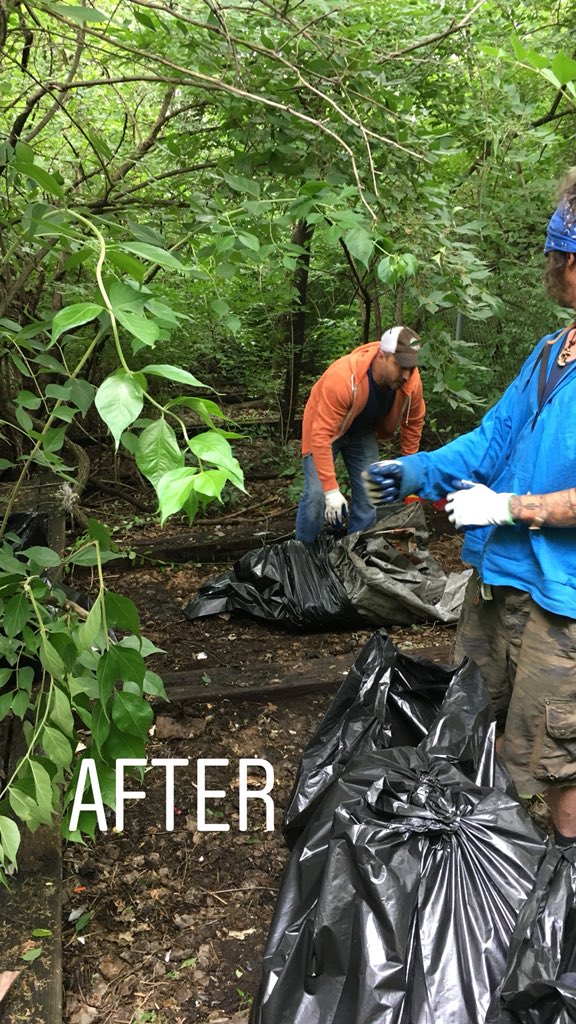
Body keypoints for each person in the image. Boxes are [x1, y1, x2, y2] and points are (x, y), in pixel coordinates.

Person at [363, 171, 576, 847]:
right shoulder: (551, 353)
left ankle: (561, 908)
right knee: (475, 728)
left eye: (562, 254)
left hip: (562, 607)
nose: (556, 267)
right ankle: (487, 874)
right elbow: (491, 442)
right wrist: (414, 470)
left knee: (560, 766)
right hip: (497, 586)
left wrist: (511, 506)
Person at [295, 326, 425, 544]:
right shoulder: (343, 378)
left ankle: (355, 553)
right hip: (324, 428)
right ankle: (302, 559)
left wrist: (409, 471)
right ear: (382, 356)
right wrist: (331, 491)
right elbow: (321, 436)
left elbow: (413, 423)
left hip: (361, 430)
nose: (406, 375)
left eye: (411, 368)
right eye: (400, 366)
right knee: (316, 495)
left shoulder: (410, 383)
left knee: (369, 494)